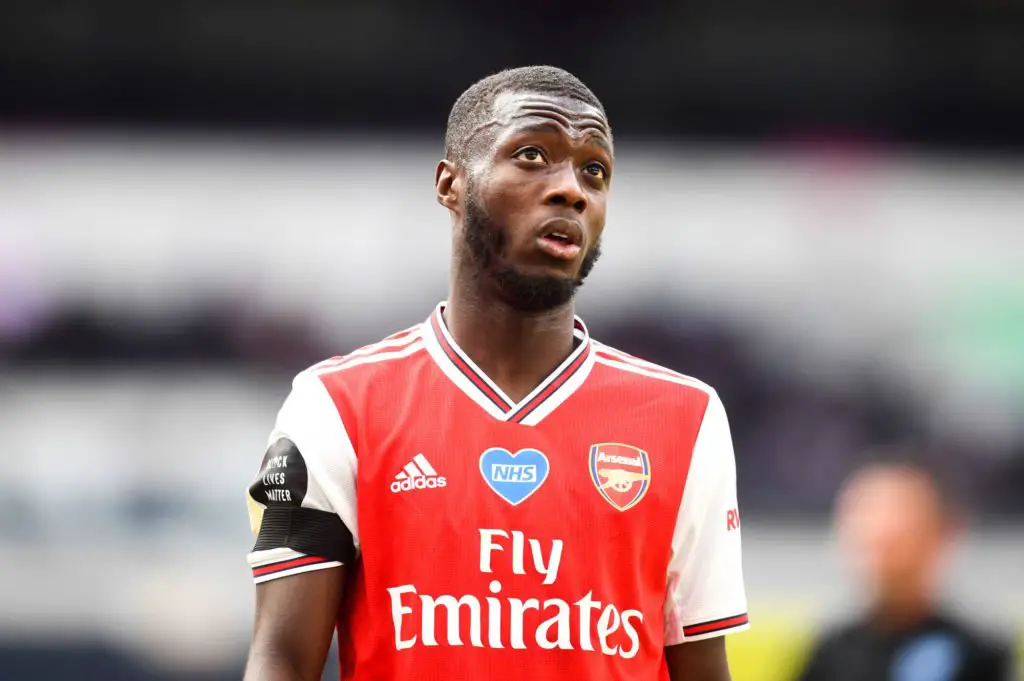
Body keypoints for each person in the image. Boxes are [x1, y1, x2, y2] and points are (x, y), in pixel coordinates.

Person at [242, 65, 749, 681]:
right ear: (450, 183)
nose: (572, 190)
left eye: (594, 171)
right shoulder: (334, 406)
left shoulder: (686, 418)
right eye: (533, 155)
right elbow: (281, 661)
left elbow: (703, 669)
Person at [797, 455, 1015, 681]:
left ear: (940, 532)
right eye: (865, 515)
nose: (879, 530)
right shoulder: (833, 651)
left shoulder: (975, 653)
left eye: (899, 514)